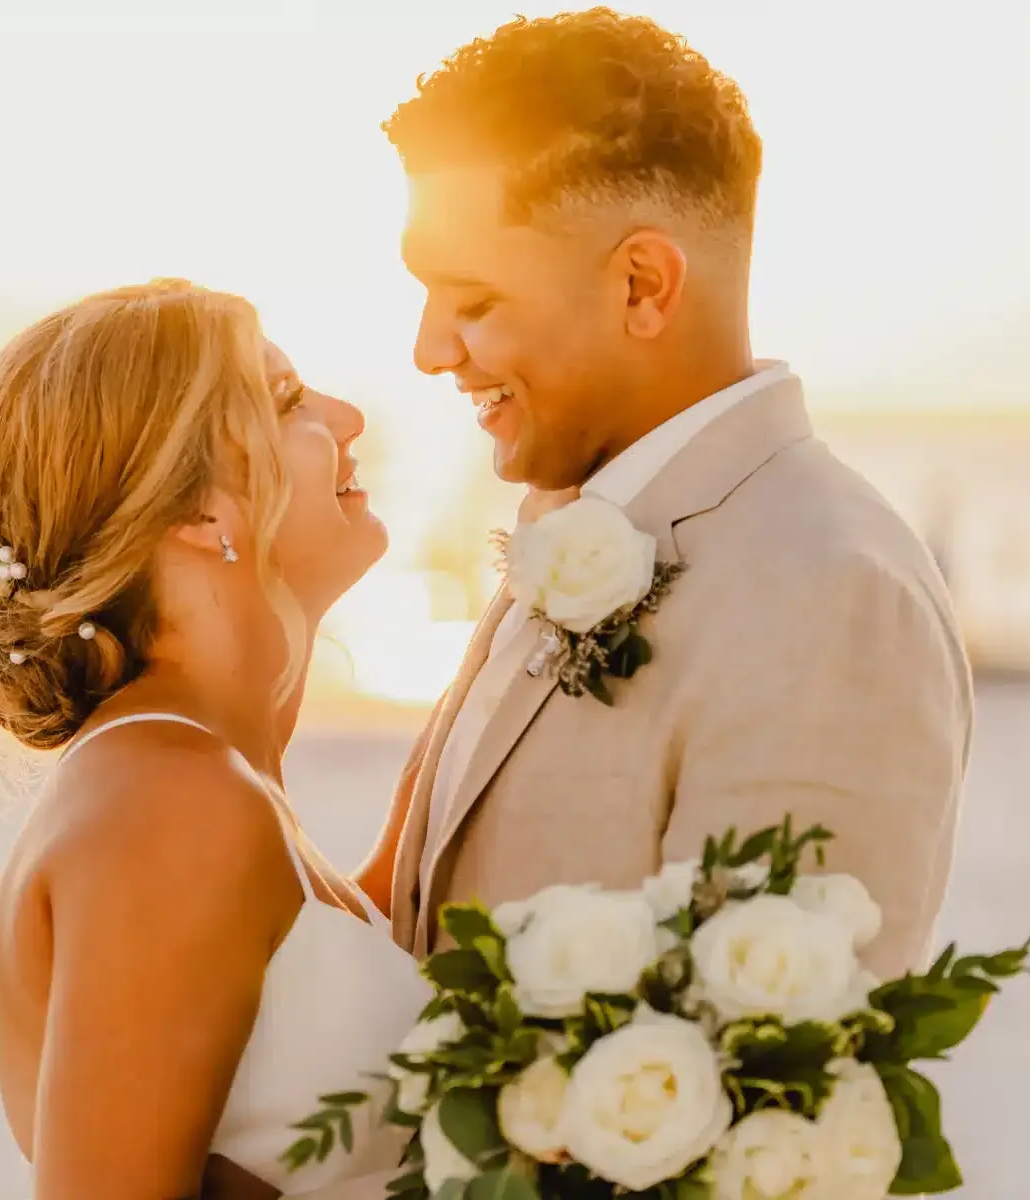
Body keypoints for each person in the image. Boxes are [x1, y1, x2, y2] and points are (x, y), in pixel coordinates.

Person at [380, 10, 973, 979]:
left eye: (473, 301)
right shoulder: (578, 531)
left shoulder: (825, 592)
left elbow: (767, 1089)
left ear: (643, 286)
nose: (429, 349)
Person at [0, 280, 425, 1198]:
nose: (348, 415)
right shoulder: (172, 803)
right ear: (198, 515)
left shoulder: (209, 778)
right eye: (289, 402)